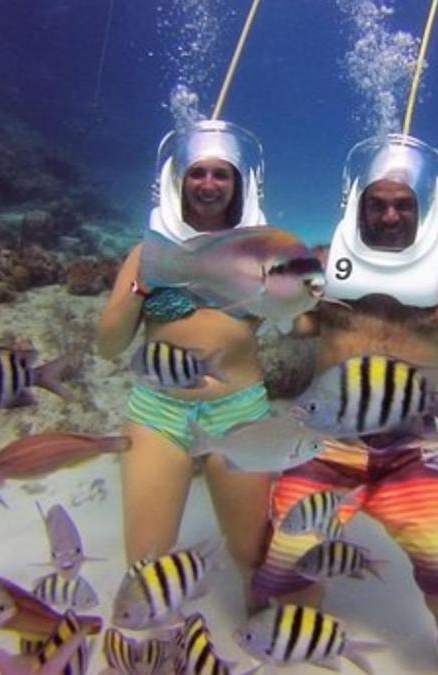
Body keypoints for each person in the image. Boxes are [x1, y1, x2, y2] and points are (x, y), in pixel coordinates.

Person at [249, 134, 438, 675]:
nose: (390, 214)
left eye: (403, 204)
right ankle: (307, 648)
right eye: (378, 203)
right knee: (291, 554)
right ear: (357, 204)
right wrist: (274, 288)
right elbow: (295, 325)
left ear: (423, 208)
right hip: (326, 437)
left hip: (410, 443)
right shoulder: (325, 260)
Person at [96, 120, 274, 614]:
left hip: (238, 410)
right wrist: (142, 287)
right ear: (179, 180)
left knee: (252, 557)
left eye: (222, 174)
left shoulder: (263, 253)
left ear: (239, 184)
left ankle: (265, 645)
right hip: (159, 413)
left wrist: (304, 293)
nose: (209, 184)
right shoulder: (145, 253)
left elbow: (302, 326)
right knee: (146, 567)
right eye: (198, 173)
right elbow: (109, 345)